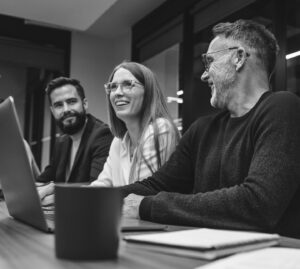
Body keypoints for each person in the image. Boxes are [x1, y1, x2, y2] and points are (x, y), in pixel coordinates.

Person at [120, 19, 300, 239]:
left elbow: (258, 204)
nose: (204, 75)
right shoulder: (203, 129)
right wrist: (94, 198)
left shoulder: (283, 108)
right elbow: (156, 185)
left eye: (209, 61)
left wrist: (149, 206)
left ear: (239, 57)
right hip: (209, 254)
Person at [91, 61, 180, 187]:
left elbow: (140, 193)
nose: (117, 93)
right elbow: (102, 185)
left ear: (148, 92)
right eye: (113, 87)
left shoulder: (160, 129)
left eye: (128, 84)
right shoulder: (119, 142)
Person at [37, 77, 113, 205]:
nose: (66, 109)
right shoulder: (61, 142)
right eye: (58, 105)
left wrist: (52, 194)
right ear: (52, 111)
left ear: (85, 104)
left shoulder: (102, 135)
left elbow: (96, 188)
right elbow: (43, 180)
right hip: (63, 214)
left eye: (71, 102)